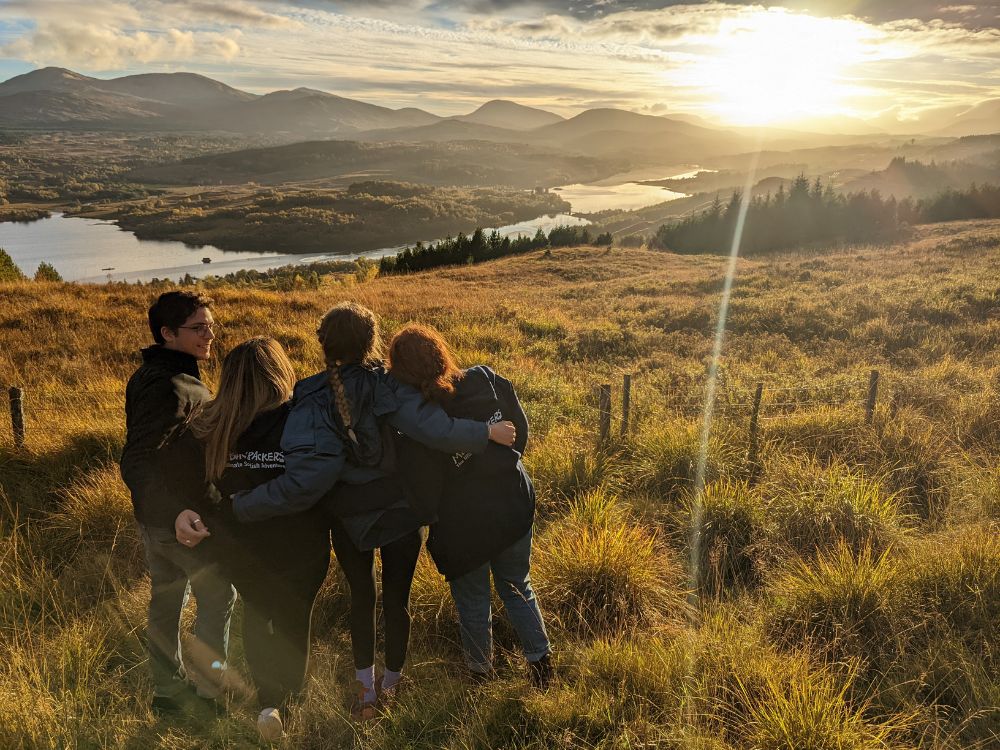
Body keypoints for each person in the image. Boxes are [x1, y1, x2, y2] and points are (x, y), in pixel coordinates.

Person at [221, 302, 516, 720]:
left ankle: (365, 692)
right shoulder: (391, 384)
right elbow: (436, 431)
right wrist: (485, 432)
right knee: (398, 601)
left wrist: (243, 505)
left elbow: (307, 478)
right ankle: (390, 686)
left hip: (346, 516)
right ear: (372, 341)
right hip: (401, 511)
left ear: (323, 344)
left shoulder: (308, 396)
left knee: (362, 597)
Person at [175, 337, 330, 742]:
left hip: (243, 548)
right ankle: (291, 702)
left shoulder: (211, 424)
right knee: (296, 620)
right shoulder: (298, 418)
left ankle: (267, 702)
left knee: (257, 616)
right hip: (303, 543)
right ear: (279, 371)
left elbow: (193, 487)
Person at [387, 323, 552, 687]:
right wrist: (499, 464)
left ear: (401, 373)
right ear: (440, 352)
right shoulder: (484, 379)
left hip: (462, 527)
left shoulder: (418, 423)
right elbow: (519, 432)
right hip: (512, 504)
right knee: (517, 585)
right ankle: (541, 667)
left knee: (473, 601)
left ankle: (480, 676)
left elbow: (422, 487)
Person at [120, 290, 236, 716]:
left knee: (167, 602)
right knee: (218, 597)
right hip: (180, 522)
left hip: (160, 520)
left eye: (211, 325)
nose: (210, 334)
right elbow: (136, 459)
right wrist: (177, 514)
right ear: (167, 333)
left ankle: (168, 692)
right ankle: (207, 694)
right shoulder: (169, 384)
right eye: (198, 328)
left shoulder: (158, 373)